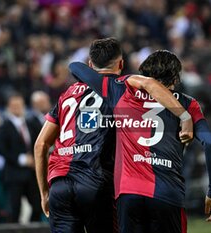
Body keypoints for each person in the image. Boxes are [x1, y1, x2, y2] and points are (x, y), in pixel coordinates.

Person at [34, 38, 193, 233]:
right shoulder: (122, 89)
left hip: (60, 184)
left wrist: (44, 193)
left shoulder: (68, 94)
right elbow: (150, 86)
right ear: (121, 64)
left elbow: (41, 144)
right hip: (97, 180)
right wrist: (184, 116)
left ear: (91, 64)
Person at [69, 49, 211, 233]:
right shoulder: (188, 104)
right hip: (168, 192)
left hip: (128, 193)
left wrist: (134, 80)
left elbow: (75, 66)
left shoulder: (121, 91)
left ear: (145, 73)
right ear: (175, 78)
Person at [0, 94, 41, 223]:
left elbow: (37, 143)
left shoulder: (30, 124)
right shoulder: (5, 127)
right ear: (8, 108)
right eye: (13, 105)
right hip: (14, 174)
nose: (17, 108)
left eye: (19, 105)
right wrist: (21, 159)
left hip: (31, 174)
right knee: (14, 210)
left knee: (38, 206)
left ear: (23, 106)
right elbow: (2, 150)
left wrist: (34, 159)